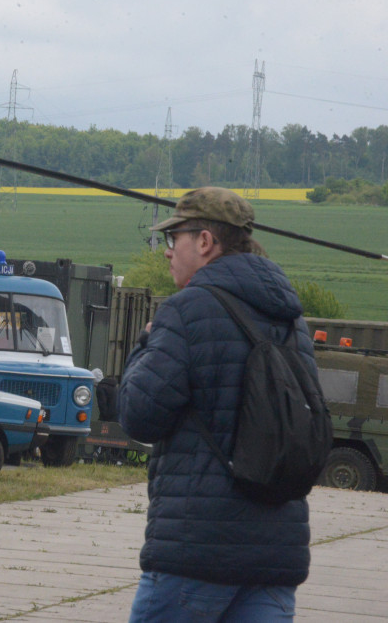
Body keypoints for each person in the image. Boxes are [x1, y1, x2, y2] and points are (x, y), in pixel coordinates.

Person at [118, 187, 317, 622]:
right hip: (276, 556)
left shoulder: (186, 311)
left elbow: (139, 415)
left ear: (205, 242)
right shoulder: (292, 321)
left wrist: (146, 342)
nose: (168, 252)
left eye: (175, 239)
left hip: (197, 549)